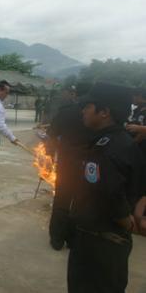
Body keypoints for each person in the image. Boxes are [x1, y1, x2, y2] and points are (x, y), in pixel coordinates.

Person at [68, 82, 145, 293]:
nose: (83, 110)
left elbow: (110, 194)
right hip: (106, 242)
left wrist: (127, 223)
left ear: (104, 112)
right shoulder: (122, 141)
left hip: (99, 243)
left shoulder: (107, 148)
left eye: (88, 106)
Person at [46, 82, 93, 250]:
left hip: (66, 163)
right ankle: (74, 239)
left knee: (62, 200)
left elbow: (51, 135)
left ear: (75, 94)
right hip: (89, 165)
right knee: (80, 201)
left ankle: (57, 239)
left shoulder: (66, 112)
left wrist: (50, 154)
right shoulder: (95, 113)